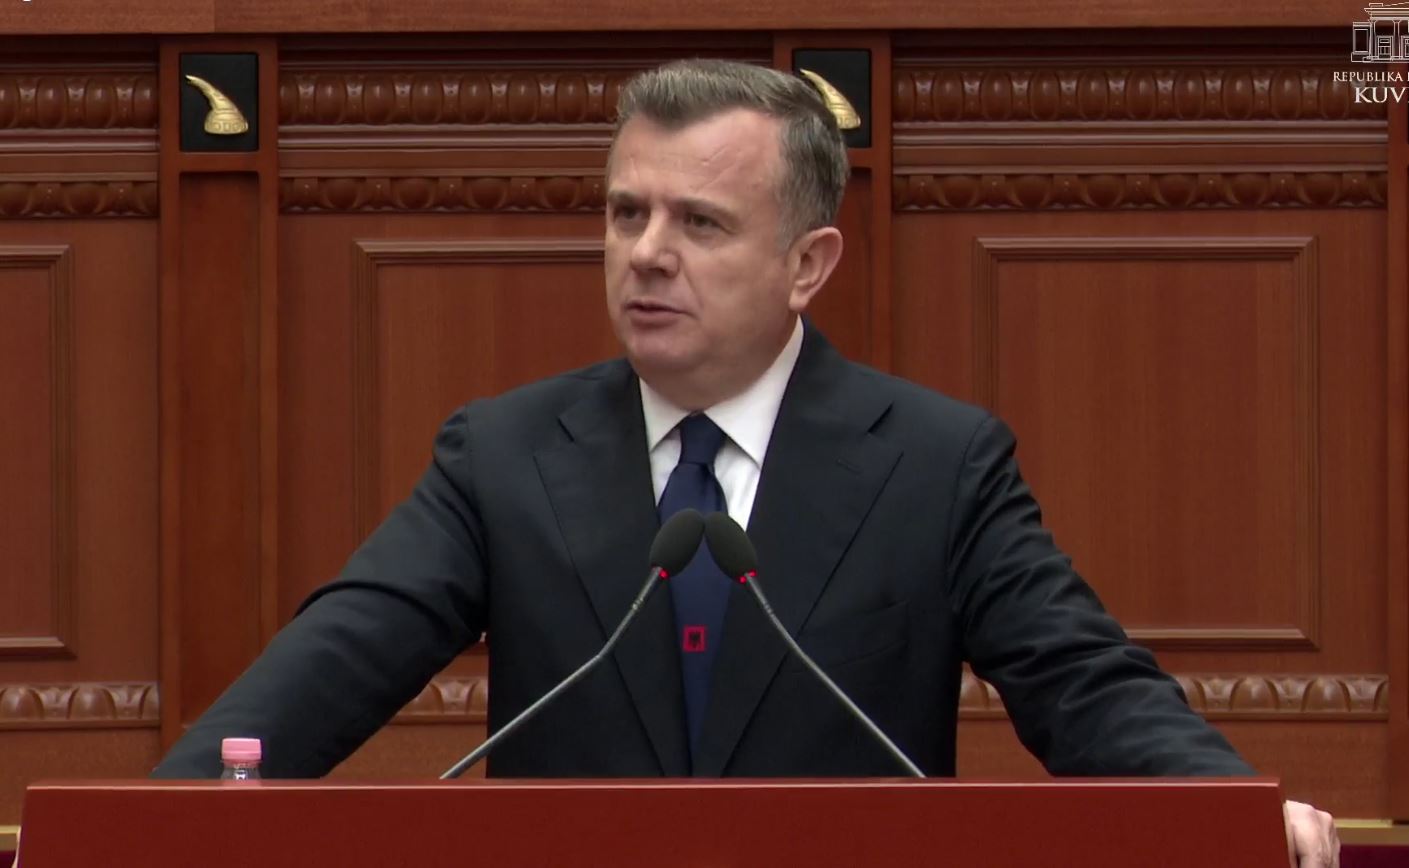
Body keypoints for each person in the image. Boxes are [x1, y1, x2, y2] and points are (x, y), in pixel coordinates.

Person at [152, 59, 1339, 866]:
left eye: (700, 223)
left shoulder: (935, 463)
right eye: (626, 214)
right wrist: (154, 825)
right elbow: (332, 661)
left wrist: (1227, 812)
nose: (646, 253)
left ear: (807, 264)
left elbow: (1083, 683)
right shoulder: (501, 454)